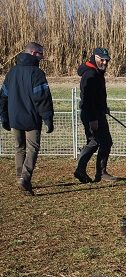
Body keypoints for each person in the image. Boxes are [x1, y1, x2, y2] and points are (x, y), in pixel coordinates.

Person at [0, 42, 54, 195]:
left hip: (15, 119)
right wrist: (48, 118)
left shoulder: (12, 72)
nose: (42, 57)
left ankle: (19, 178)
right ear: (33, 53)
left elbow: (3, 96)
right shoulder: (37, 73)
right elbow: (42, 99)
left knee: (19, 148)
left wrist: (3, 116)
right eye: (40, 54)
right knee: (33, 148)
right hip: (31, 119)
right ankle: (25, 178)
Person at [74, 47, 117, 183]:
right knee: (97, 142)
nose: (104, 63)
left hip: (97, 112)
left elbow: (97, 96)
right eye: (102, 60)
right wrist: (93, 118)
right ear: (94, 57)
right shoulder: (91, 74)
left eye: (106, 60)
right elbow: (87, 99)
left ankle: (95, 172)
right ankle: (91, 171)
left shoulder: (97, 73)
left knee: (102, 142)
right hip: (91, 114)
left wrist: (103, 107)